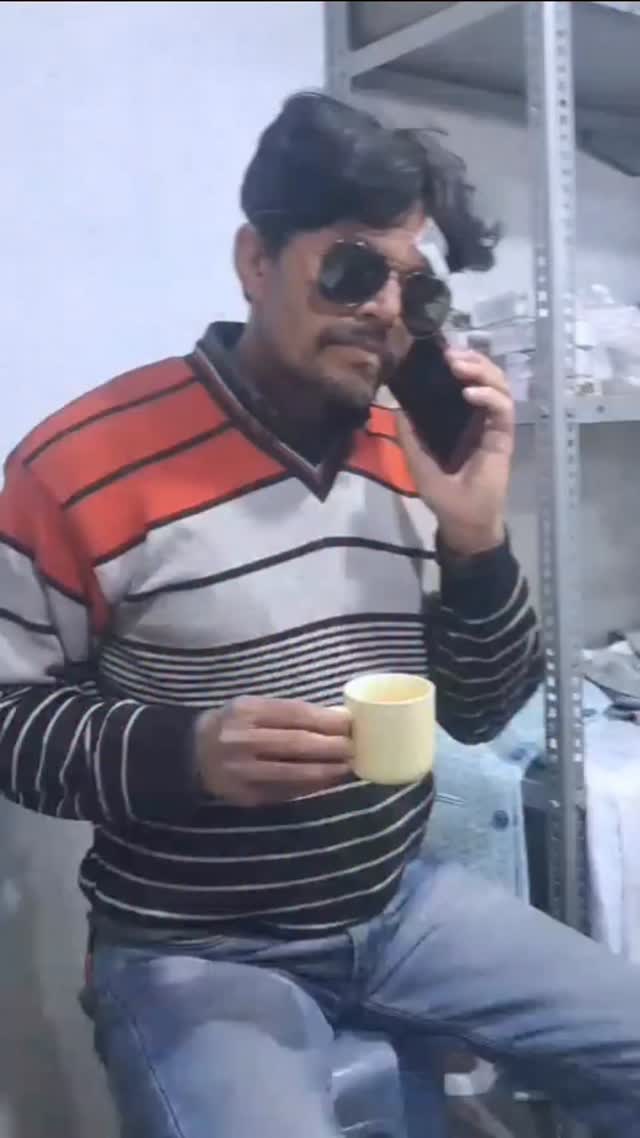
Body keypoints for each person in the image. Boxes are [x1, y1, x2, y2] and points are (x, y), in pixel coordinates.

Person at [0, 92, 638, 1138]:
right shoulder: (80, 463)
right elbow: (9, 715)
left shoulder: (413, 452)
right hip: (193, 942)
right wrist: (187, 751)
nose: (385, 309)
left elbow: (483, 710)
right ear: (256, 260)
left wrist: (475, 540)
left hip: (399, 904)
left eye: (415, 287)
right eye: (350, 268)